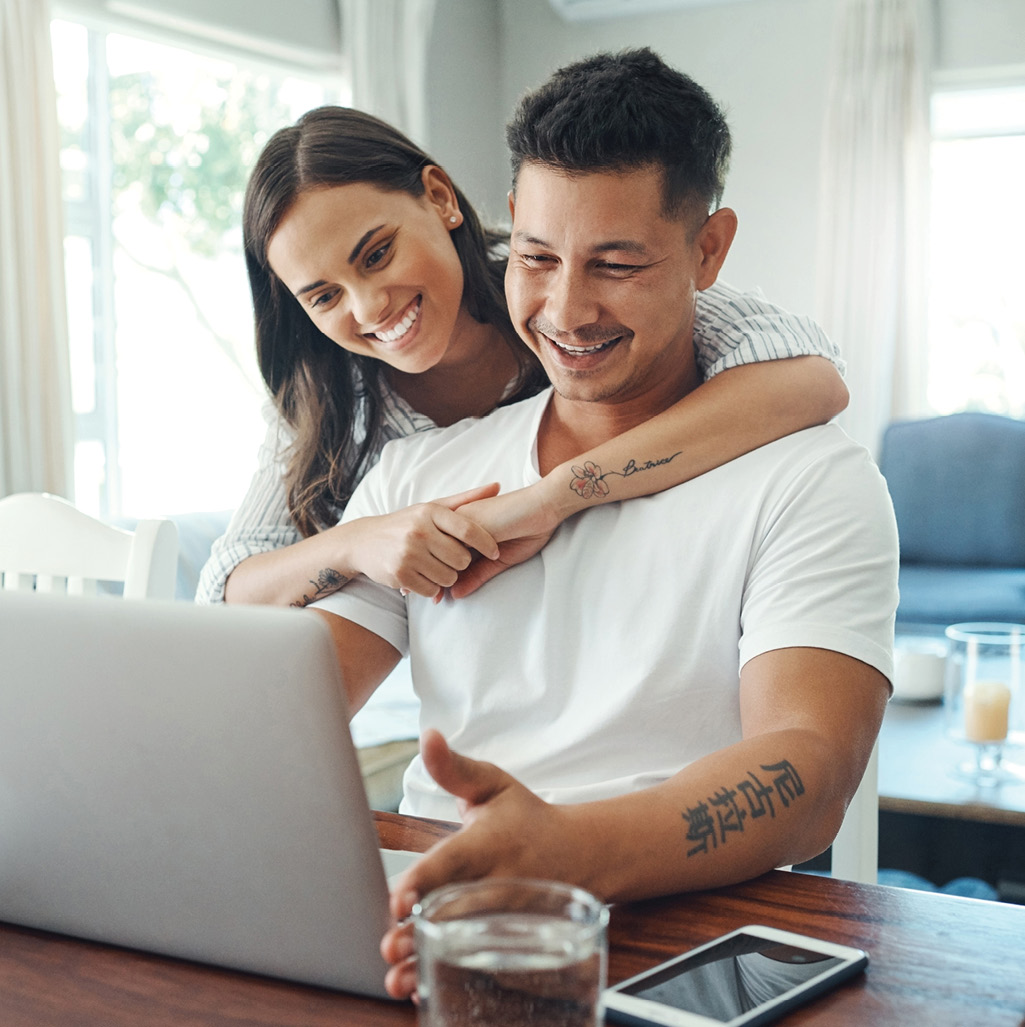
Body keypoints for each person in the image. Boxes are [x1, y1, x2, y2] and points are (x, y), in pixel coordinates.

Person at [305, 48, 898, 1000]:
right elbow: (283, 714)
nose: (565, 309)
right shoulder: (421, 471)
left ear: (709, 250)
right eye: (535, 259)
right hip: (439, 926)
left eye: (616, 264)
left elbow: (811, 770)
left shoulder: (810, 478)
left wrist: (570, 850)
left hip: (689, 946)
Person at [195, 104, 848, 610]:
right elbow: (226, 585)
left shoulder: (553, 277)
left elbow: (808, 378)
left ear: (439, 197)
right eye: (324, 295)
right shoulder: (327, 395)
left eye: (376, 255)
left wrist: (551, 497)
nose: (368, 308)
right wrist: (357, 540)